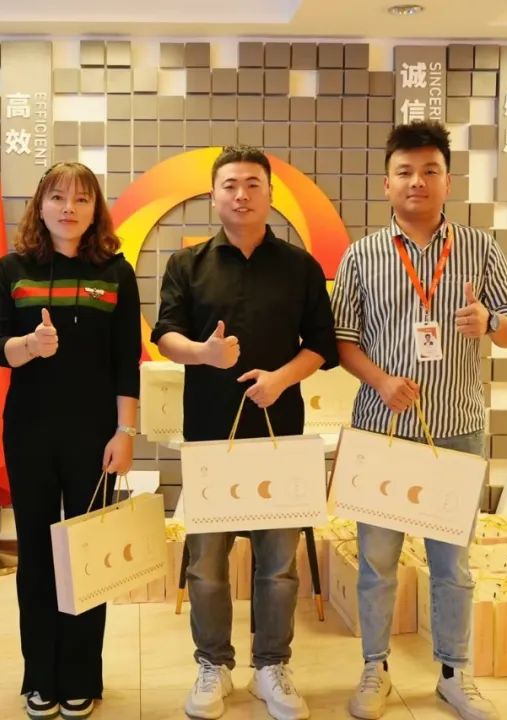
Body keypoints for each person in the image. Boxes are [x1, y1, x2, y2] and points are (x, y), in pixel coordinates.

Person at [331, 121, 507, 720]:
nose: (417, 181)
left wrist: (490, 322)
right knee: (376, 563)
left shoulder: (480, 248)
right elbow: (342, 341)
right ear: (386, 183)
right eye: (405, 172)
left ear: (448, 181)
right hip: (381, 430)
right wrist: (381, 381)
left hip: (456, 429)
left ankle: (453, 673)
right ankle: (374, 668)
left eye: (429, 171)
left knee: (452, 564)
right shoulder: (362, 254)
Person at [152, 145, 339, 720]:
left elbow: (321, 346)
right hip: (210, 441)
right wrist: (204, 354)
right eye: (230, 184)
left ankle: (270, 667)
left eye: (253, 184)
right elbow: (165, 336)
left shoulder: (301, 267)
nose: (241, 194)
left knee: (277, 565)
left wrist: (281, 379)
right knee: (206, 564)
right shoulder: (187, 264)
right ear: (214, 195)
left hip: (280, 439)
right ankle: (213, 664)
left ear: (270, 194)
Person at [0, 162, 141, 720]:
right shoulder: (12, 268)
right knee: (35, 555)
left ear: (96, 209)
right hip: (29, 431)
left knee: (86, 555)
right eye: (57, 197)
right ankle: (40, 676)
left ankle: (80, 675)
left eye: (81, 198)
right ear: (40, 205)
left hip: (95, 437)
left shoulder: (116, 273)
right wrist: (31, 345)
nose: (68, 208)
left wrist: (125, 432)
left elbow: (126, 360)